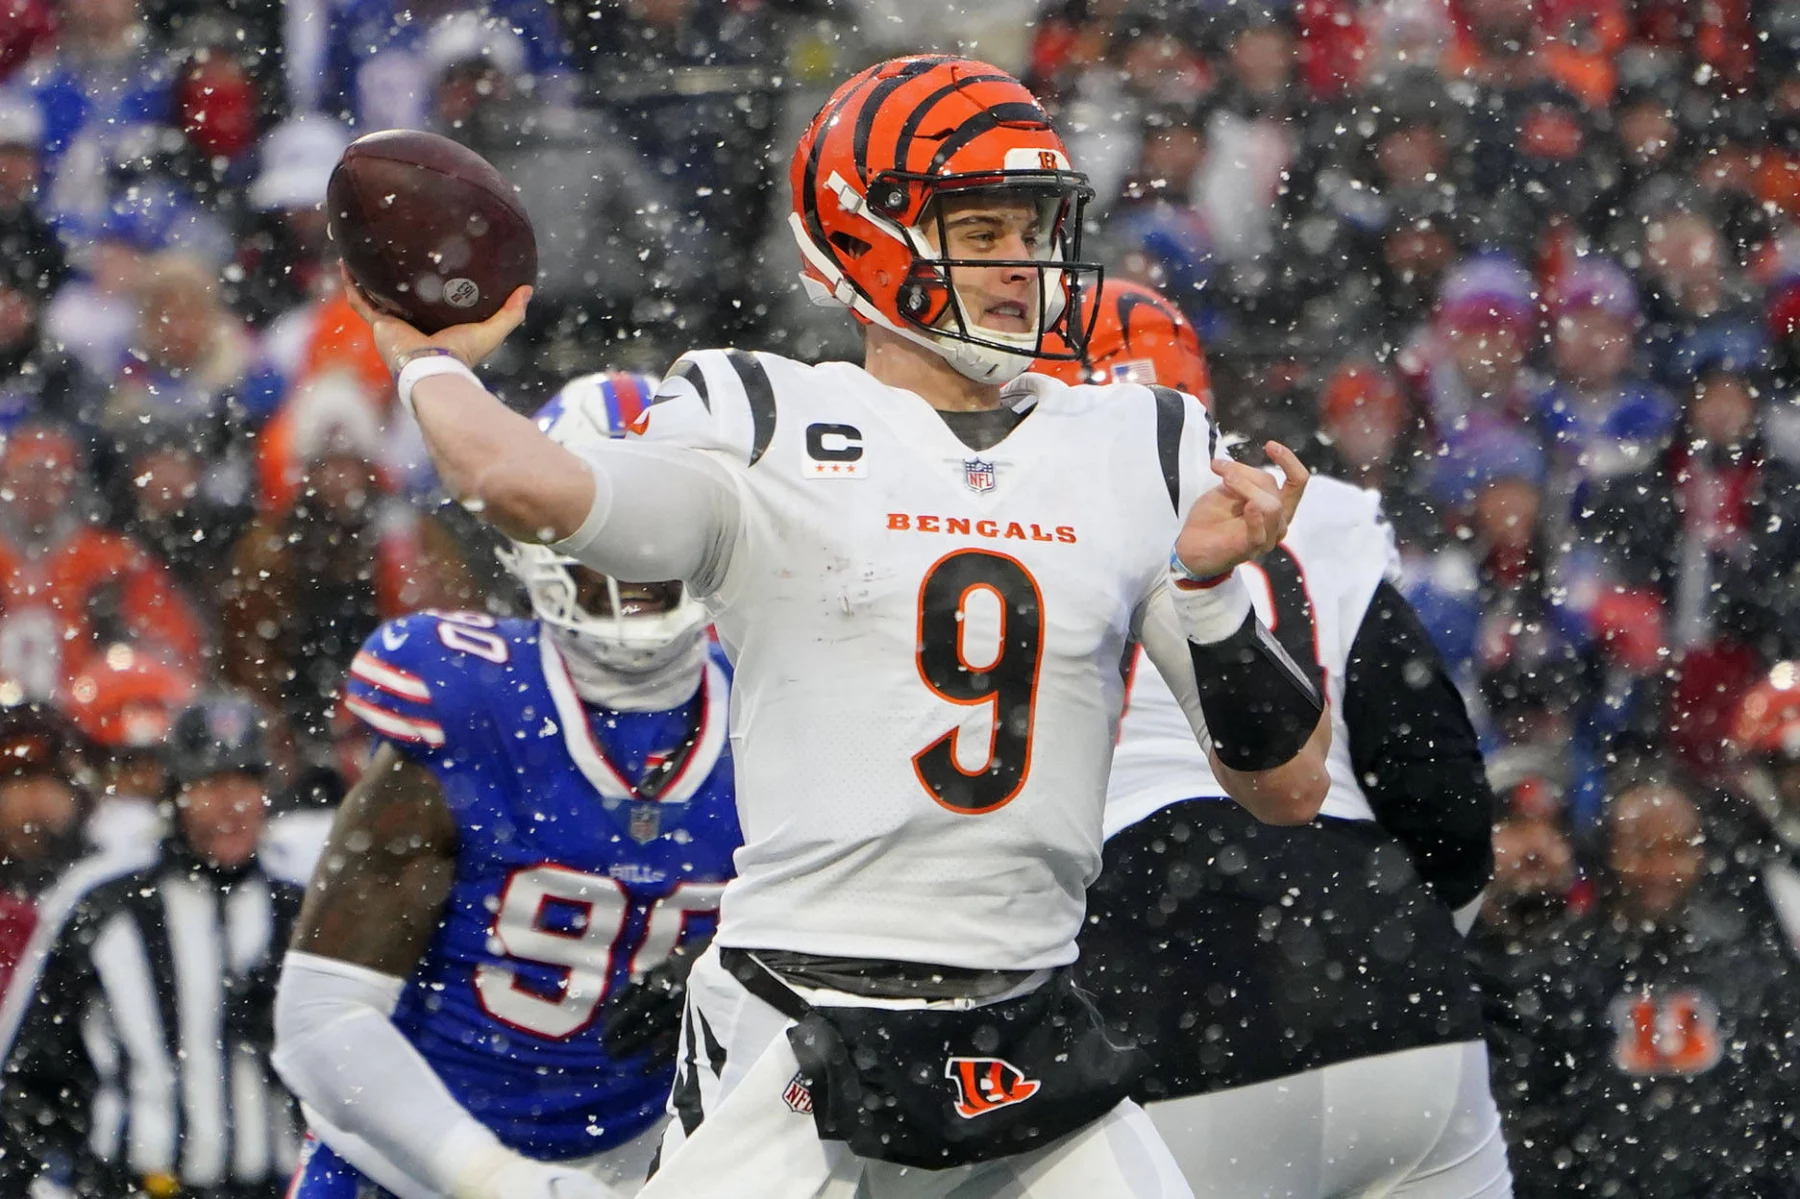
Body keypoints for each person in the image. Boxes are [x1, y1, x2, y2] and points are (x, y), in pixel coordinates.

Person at [343, 54, 1330, 1198]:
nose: (1023, 265)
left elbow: (1290, 787)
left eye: (1034, 228)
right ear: (871, 232)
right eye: (986, 227)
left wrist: (1207, 598)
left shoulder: (1136, 439)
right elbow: (533, 491)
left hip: (1029, 1019)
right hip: (799, 1015)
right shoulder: (765, 418)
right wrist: (428, 363)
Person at [1042, 284, 1512, 1197]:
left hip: (1146, 963)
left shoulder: (996, 524)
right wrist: (1405, 941)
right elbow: (1442, 794)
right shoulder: (1317, 511)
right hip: (1384, 959)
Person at [273, 372, 742, 1199]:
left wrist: (723, 975)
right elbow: (322, 1019)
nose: (631, 555)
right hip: (406, 1170)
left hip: (636, 1168)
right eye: (606, 523)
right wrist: (496, 1180)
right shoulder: (469, 697)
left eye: (652, 522)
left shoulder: (767, 704)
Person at [0, 692, 303, 1197]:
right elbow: (34, 1076)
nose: (232, 804)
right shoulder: (108, 907)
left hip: (267, 1186)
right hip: (140, 1186)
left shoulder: (299, 911)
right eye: (211, 784)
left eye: (246, 782)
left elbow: (353, 1081)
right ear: (176, 796)